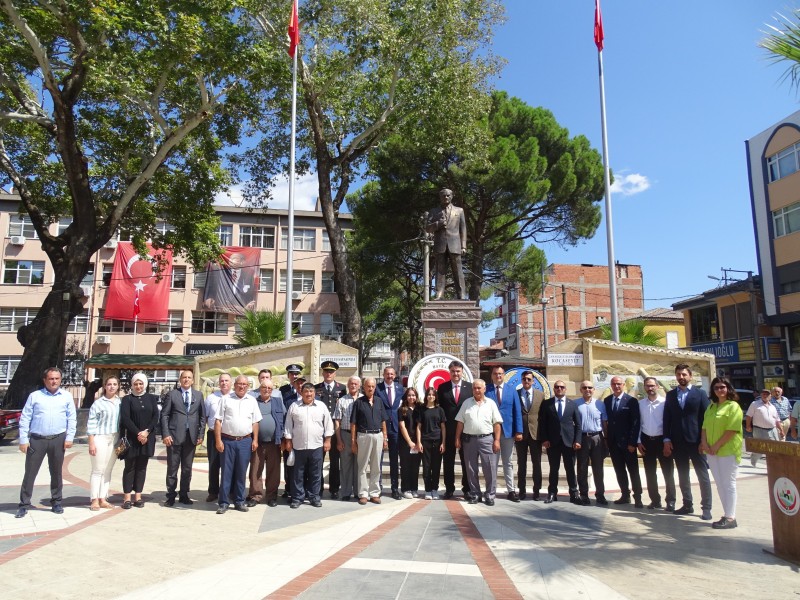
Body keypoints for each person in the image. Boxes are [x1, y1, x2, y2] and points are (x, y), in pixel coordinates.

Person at [16, 367, 77, 519]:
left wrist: (69, 437)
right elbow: (25, 418)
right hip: (37, 440)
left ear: (60, 380)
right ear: (45, 380)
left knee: (56, 472)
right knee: (30, 473)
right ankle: (24, 504)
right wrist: (23, 439)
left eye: (57, 378)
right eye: (51, 378)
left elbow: (72, 418)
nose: (54, 381)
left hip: (58, 439)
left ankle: (56, 502)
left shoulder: (66, 396)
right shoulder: (35, 396)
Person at [663, 364, 712, 520]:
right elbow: (667, 419)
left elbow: (707, 419)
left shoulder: (700, 394)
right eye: (678, 374)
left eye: (684, 374)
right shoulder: (671, 395)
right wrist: (666, 439)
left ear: (690, 376)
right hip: (678, 442)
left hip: (696, 441)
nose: (681, 377)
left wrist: (704, 441)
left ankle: (706, 507)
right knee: (683, 474)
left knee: (702, 475)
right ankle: (687, 504)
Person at [700, 377, 743, 529]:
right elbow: (704, 428)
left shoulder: (733, 406)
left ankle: (731, 517)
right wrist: (705, 444)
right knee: (719, 483)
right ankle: (727, 514)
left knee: (728, 483)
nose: (719, 390)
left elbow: (732, 430)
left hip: (728, 451)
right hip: (712, 452)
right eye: (716, 387)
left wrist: (716, 445)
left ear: (728, 388)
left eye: (722, 387)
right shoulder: (711, 407)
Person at [215, 375, 260, 514]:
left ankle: (239, 501)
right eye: (239, 384)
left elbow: (255, 422)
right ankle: (223, 502)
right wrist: (218, 440)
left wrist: (255, 440)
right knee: (226, 473)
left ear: (248, 386)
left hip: (245, 441)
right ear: (234, 385)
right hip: (227, 441)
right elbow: (218, 421)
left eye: (244, 384)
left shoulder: (252, 401)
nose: (242, 386)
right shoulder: (225, 399)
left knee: (241, 473)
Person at [285, 382, 334, 509]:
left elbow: (328, 424)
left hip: (316, 446)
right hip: (298, 446)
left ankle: (314, 497)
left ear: (314, 393)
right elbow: (288, 425)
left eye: (311, 391)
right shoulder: (294, 406)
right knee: (298, 474)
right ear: (301, 393)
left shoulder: (321, 406)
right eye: (306, 391)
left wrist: (328, 440)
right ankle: (297, 498)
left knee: (315, 474)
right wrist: (288, 441)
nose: (308, 394)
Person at [160, 370, 205, 507]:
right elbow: (164, 415)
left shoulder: (198, 395)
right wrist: (166, 434)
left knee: (187, 469)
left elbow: (202, 417)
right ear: (180, 380)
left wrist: (201, 434)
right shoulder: (172, 394)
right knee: (172, 468)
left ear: (193, 380)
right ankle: (170, 496)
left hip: (191, 437)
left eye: (189, 377)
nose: (186, 379)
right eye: (184, 377)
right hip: (174, 437)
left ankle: (184, 494)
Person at [455, 379, 503, 506]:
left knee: (490, 468)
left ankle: (490, 495)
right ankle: (475, 493)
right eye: (474, 388)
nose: (476, 390)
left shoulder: (491, 403)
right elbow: (460, 422)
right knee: (471, 469)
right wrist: (457, 438)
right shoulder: (466, 403)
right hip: (469, 440)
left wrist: (497, 440)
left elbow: (497, 424)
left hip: (487, 439)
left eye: (479, 388)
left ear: (484, 389)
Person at [119, 373, 159, 510]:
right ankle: (127, 498)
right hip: (132, 439)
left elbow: (155, 416)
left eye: (141, 383)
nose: (138, 386)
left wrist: (146, 432)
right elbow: (125, 418)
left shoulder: (151, 398)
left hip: (147, 438)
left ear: (145, 384)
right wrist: (138, 433)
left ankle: (138, 497)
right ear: (132, 385)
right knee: (129, 468)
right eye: (135, 384)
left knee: (142, 468)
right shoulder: (127, 399)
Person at [538, 380, 581, 504]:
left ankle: (574, 493)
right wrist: (545, 439)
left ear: (565, 389)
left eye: (562, 387)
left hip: (569, 442)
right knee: (553, 469)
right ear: (554, 389)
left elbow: (578, 425)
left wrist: (577, 440)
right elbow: (542, 423)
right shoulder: (547, 404)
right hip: (553, 442)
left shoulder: (572, 404)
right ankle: (552, 493)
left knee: (570, 469)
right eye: (557, 387)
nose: (559, 389)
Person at [637, 377, 676, 511]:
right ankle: (655, 500)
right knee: (650, 473)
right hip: (646, 441)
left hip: (662, 441)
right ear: (644, 387)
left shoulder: (665, 403)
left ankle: (670, 500)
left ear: (657, 386)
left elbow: (670, 424)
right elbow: (638, 424)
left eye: (652, 385)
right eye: (647, 386)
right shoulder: (641, 404)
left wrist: (668, 441)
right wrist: (639, 441)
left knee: (668, 472)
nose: (650, 388)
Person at [604, 376, 643, 507]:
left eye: (619, 384)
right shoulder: (607, 400)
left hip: (628, 444)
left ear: (623, 385)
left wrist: (633, 443)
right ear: (611, 385)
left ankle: (638, 497)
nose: (616, 386)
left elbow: (635, 423)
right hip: (614, 443)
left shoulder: (631, 401)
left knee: (633, 471)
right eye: (614, 384)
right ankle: (625, 495)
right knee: (619, 471)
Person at [486, 366, 523, 502]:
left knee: (508, 462)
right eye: (495, 373)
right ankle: (491, 491)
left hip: (508, 432)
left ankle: (511, 490)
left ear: (504, 375)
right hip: (491, 432)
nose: (498, 376)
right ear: (492, 376)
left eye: (500, 373)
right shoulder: (486, 390)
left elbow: (517, 411)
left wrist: (519, 431)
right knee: (492, 463)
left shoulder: (511, 391)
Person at [437, 360, 473, 498]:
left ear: (462, 372)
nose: (455, 373)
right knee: (448, 462)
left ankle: (467, 489)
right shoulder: (442, 388)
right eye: (453, 371)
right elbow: (440, 409)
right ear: (449, 372)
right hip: (448, 431)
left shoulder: (470, 387)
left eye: (458, 371)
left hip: (466, 431)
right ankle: (449, 488)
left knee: (466, 461)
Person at [351, 377, 389, 505]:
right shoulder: (358, 402)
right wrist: (353, 441)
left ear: (375, 388)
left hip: (378, 435)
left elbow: (383, 421)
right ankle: (363, 494)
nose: (370, 388)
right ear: (364, 387)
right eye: (368, 386)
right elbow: (353, 423)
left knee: (376, 466)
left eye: (372, 386)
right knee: (362, 466)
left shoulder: (379, 401)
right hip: (363, 436)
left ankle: (374, 493)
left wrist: (385, 438)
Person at [247, 378, 284, 507]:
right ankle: (255, 495)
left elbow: (284, 419)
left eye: (269, 388)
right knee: (255, 470)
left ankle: (271, 496)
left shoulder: (278, 402)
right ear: (260, 389)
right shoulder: (253, 402)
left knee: (274, 471)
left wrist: (283, 439)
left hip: (274, 443)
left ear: (272, 390)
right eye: (264, 387)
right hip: (257, 442)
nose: (267, 390)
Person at [425, 187, 468, 300]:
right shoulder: (434, 211)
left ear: (452, 196)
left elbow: (463, 229)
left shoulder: (459, 211)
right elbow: (427, 228)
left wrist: (463, 246)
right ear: (440, 197)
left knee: (458, 270)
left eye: (448, 195)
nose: (446, 197)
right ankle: (439, 294)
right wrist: (438, 224)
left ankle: (461, 294)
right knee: (440, 270)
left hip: (455, 244)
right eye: (443, 195)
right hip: (440, 244)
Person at [87, 377, 122, 510]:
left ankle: (103, 498)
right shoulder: (98, 403)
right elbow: (91, 423)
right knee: (98, 470)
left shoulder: (120, 402)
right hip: (100, 437)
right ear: (105, 386)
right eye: (109, 384)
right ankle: (94, 499)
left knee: (108, 470)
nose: (112, 387)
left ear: (118, 386)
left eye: (114, 384)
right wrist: (91, 442)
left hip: (114, 438)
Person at [314, 360, 346, 499]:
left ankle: (334, 489)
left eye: (331, 371)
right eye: (326, 371)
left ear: (335, 373)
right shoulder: (316, 388)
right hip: (319, 429)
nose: (328, 374)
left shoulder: (342, 388)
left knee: (334, 461)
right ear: (322, 373)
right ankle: (318, 488)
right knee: (318, 461)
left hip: (335, 429)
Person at [575, 381, 608, 506]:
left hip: (597, 438)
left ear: (594, 390)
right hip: (582, 438)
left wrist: (606, 439)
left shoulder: (600, 404)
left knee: (598, 468)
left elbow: (604, 423)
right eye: (584, 387)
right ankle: (584, 495)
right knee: (582, 468)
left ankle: (600, 495)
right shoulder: (575, 404)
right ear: (581, 390)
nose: (587, 389)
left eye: (590, 387)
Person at [515, 371, 545, 500]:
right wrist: (516, 431)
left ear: (533, 381)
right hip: (520, 434)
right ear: (521, 380)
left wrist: (544, 436)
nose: (526, 381)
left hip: (535, 434)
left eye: (528, 379)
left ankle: (536, 490)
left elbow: (543, 416)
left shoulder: (540, 395)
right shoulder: (516, 394)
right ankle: (521, 490)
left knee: (536, 463)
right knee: (521, 464)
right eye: (524, 379)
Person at [375, 365, 405, 499]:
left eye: (392, 374)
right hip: (381, 428)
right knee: (378, 460)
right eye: (387, 374)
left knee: (394, 461)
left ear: (395, 375)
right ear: (383, 375)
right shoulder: (377, 388)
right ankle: (378, 487)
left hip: (396, 429)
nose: (390, 376)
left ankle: (394, 489)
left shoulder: (400, 388)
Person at [204, 372, 232, 503]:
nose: (224, 383)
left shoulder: (235, 397)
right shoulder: (211, 398)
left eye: (226, 380)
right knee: (213, 464)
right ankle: (213, 492)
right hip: (213, 435)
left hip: (230, 436)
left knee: (229, 465)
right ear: (218, 383)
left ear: (231, 382)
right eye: (222, 381)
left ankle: (229, 491)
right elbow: (205, 416)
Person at [333, 375, 362, 501]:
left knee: (359, 464)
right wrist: (339, 440)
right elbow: (337, 421)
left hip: (360, 435)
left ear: (359, 386)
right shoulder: (342, 400)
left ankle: (358, 492)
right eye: (351, 383)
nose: (353, 385)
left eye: (356, 384)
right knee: (345, 465)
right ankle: (345, 492)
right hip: (345, 434)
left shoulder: (364, 399)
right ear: (348, 385)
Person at [417, 386, 446, 500]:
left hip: (437, 441)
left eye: (433, 395)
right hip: (425, 442)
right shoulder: (422, 409)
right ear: (426, 396)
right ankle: (428, 490)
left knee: (436, 467)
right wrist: (419, 442)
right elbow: (419, 427)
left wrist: (443, 443)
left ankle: (435, 489)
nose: (431, 396)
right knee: (426, 467)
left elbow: (443, 427)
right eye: (429, 394)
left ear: (435, 397)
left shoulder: (440, 410)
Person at [745, 389, 783, 466]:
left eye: (767, 394)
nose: (765, 395)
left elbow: (777, 420)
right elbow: (749, 416)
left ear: (770, 396)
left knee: (774, 448)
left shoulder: (772, 406)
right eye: (763, 394)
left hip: (772, 430)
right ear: (761, 395)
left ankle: (774, 464)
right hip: (759, 430)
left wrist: (781, 430)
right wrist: (748, 426)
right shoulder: (755, 404)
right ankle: (754, 459)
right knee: (759, 448)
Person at [398, 387, 422, 498]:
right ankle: (405, 489)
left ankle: (414, 488)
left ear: (416, 396)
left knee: (415, 466)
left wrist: (418, 442)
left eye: (413, 395)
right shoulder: (402, 409)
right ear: (406, 397)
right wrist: (409, 442)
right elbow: (402, 426)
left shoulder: (420, 408)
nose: (411, 397)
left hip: (418, 442)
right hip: (405, 442)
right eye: (409, 395)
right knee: (405, 466)